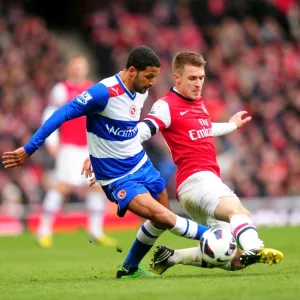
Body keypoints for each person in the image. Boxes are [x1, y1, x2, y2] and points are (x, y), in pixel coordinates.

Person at [3, 46, 217, 279]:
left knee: (162, 218)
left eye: (155, 76)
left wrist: (94, 153)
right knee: (164, 217)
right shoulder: (102, 93)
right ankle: (217, 238)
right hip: (117, 176)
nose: (153, 82)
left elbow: (123, 128)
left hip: (141, 163)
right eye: (149, 76)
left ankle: (128, 269)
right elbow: (60, 114)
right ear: (133, 71)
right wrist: (29, 148)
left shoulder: (141, 89)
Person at [134, 51, 283, 274]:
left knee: (233, 259)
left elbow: (205, 128)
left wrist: (231, 126)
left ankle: (171, 257)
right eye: (192, 78)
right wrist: (109, 153)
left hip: (197, 188)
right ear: (177, 78)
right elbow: (141, 131)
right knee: (238, 212)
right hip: (197, 180)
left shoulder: (197, 103)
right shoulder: (166, 106)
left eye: (201, 78)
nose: (198, 83)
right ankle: (255, 247)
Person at [37, 53, 117, 248]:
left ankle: (95, 231)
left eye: (81, 66)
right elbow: (51, 114)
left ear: (86, 69)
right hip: (69, 147)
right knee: (62, 186)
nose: (78, 70)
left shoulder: (93, 88)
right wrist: (52, 141)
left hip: (90, 147)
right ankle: (43, 230)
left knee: (97, 186)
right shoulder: (61, 89)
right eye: (75, 66)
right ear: (69, 68)